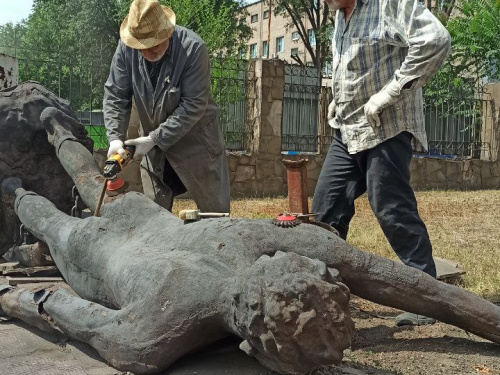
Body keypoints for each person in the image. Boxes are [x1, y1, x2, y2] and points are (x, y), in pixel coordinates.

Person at [315, 0, 451, 325]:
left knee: (391, 206)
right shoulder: (339, 16)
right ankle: (321, 291)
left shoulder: (388, 4)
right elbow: (355, 63)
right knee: (325, 208)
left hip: (387, 126)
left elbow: (435, 41)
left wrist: (390, 93)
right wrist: (338, 98)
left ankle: (425, 299)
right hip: (347, 129)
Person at [103, 0, 230, 213]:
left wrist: (154, 139)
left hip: (197, 142)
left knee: (215, 216)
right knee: (155, 220)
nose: (148, 51)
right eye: (141, 46)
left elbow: (193, 105)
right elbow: (116, 94)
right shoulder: (126, 48)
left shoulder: (193, 49)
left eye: (154, 43)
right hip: (152, 148)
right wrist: (115, 138)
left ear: (168, 32)